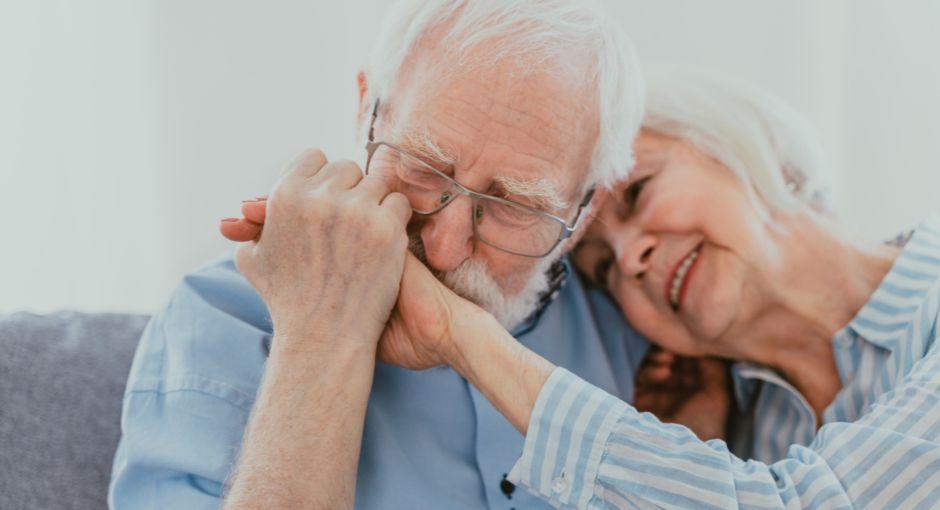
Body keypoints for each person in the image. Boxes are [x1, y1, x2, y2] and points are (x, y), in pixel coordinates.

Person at [108, 1, 658, 508]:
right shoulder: (216, 320)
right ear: (365, 111)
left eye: (514, 205)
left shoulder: (635, 329)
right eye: (422, 166)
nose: (443, 249)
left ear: (587, 208)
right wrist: (319, 337)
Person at [313, 68, 938, 508]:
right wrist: (703, 438)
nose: (631, 258)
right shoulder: (748, 427)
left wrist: (460, 334)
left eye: (639, 193)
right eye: (602, 271)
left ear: (740, 142)